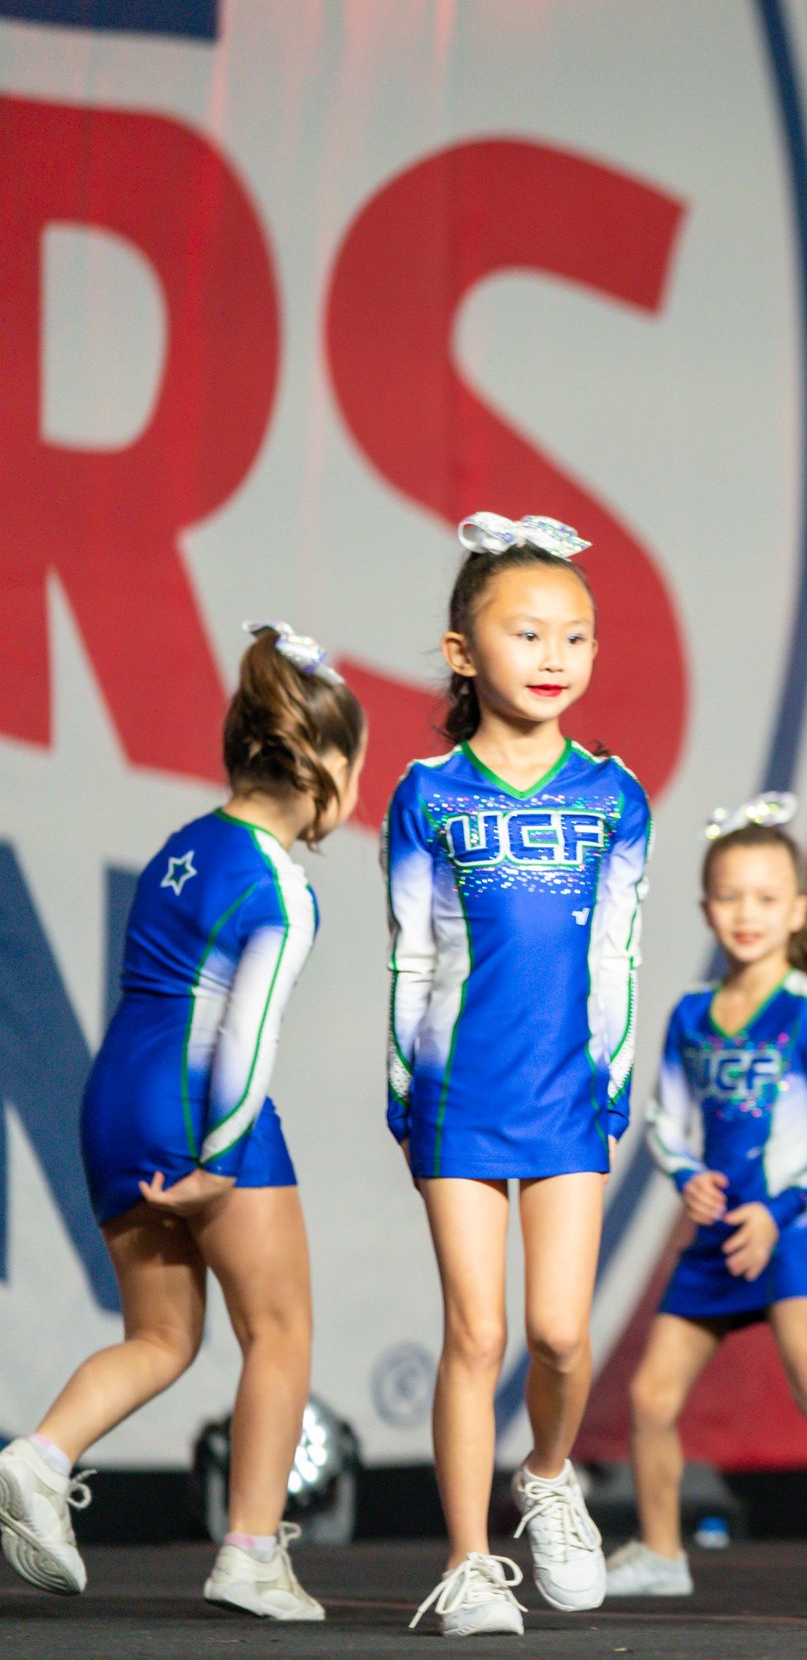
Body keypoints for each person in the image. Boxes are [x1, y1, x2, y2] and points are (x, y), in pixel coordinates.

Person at [0, 622, 362, 1621]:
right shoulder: (281, 885)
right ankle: (249, 1554)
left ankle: (38, 1457)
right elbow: (246, 1035)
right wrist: (221, 1160)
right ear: (324, 767)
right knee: (280, 1328)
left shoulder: (183, 844)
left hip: (112, 1096)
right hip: (200, 1105)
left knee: (163, 1335)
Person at [389, 513, 650, 1637]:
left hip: (567, 1093)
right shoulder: (426, 793)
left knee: (559, 1333)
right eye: (527, 632)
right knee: (477, 1333)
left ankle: (546, 1473)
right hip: (457, 1093)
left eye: (575, 636)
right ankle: (467, 1561)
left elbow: (619, 955)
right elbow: (411, 952)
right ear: (462, 653)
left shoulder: (613, 795)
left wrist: (613, 1078)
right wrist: (404, 1084)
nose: (555, 656)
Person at [603, 793, 807, 1596]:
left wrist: (779, 1208)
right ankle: (662, 1552)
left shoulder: (802, 1012)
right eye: (729, 897)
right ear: (706, 908)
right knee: (650, 1395)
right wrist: (686, 1174)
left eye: (766, 898)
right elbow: (665, 1119)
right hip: (714, 1239)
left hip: (785, 1229)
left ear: (797, 909)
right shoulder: (691, 1013)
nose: (746, 914)